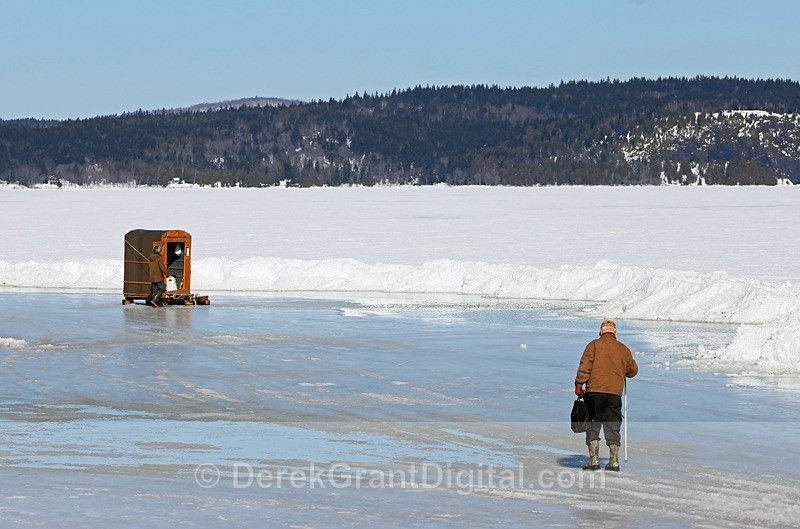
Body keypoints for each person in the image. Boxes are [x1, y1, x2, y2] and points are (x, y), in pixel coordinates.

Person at [574, 319, 638, 471]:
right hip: (614, 393)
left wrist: (579, 384)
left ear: (601, 331)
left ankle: (594, 460)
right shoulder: (623, 349)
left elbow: (585, 366)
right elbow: (633, 371)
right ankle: (614, 461)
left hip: (594, 392)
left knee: (593, 425)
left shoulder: (594, 345)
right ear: (614, 332)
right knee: (613, 425)